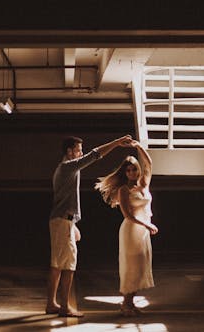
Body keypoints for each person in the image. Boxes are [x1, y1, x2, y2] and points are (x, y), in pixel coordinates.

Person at [47, 134, 134, 318]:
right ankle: (64, 306)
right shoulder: (68, 167)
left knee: (56, 264)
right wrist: (117, 143)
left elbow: (64, 200)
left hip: (62, 220)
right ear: (70, 152)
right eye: (79, 149)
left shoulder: (63, 169)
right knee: (69, 265)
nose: (81, 152)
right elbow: (95, 155)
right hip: (63, 221)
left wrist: (73, 224)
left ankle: (51, 304)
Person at [94, 140, 157, 316]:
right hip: (132, 230)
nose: (132, 172)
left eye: (134, 169)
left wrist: (138, 147)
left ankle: (131, 303)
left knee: (140, 266)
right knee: (131, 267)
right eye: (128, 170)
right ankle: (125, 304)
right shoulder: (123, 190)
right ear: (125, 172)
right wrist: (147, 224)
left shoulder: (144, 183)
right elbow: (128, 215)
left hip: (143, 231)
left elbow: (149, 163)